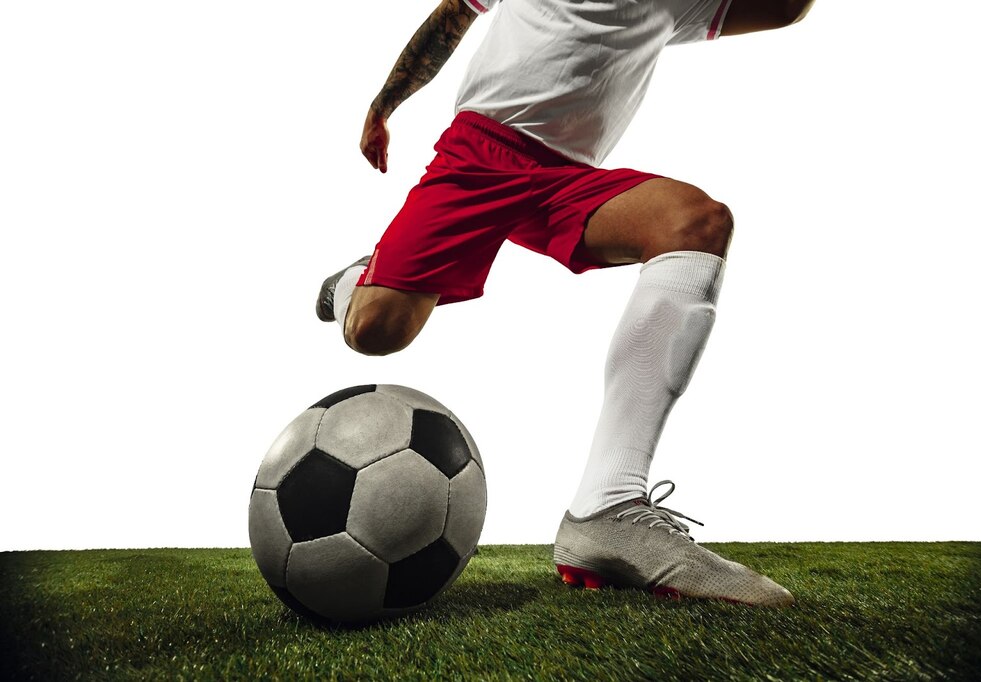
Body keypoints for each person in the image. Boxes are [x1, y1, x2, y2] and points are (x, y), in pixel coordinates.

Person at [317, 0, 815, 607]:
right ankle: (359, 282)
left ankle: (607, 507)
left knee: (696, 224)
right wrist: (384, 104)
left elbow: (785, 9)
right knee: (376, 333)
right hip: (479, 157)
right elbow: (451, 16)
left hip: (569, 182)